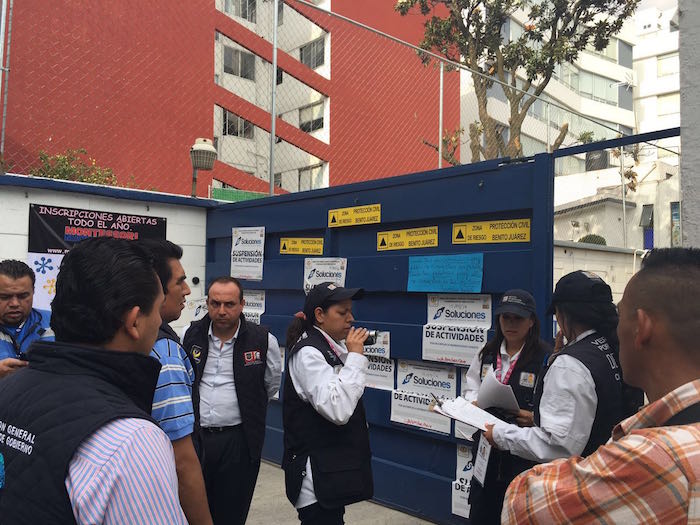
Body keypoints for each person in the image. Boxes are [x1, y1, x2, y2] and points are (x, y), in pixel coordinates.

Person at [503, 247, 700, 524]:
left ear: (642, 327)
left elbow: (523, 504)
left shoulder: (649, 458)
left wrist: (499, 434)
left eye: (622, 315)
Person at [0, 237, 187, 524]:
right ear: (134, 321)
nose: (160, 322)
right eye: (158, 308)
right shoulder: (131, 440)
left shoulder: (9, 387)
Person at [484, 270, 635, 462]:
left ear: (563, 314)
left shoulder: (570, 365)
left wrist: (500, 435)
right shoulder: (610, 345)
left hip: (579, 479)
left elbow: (557, 446)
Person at [183, 276, 282, 525]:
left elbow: (270, 385)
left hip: (238, 441)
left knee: (232, 511)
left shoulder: (262, 340)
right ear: (207, 303)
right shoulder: (189, 335)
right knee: (190, 510)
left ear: (242, 304)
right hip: (196, 438)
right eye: (215, 304)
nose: (222, 311)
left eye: (229, 304)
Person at [282, 282, 374, 525]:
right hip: (316, 484)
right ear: (320, 315)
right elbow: (338, 410)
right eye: (342, 313)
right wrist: (355, 358)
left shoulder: (332, 347)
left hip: (332, 476)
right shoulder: (309, 353)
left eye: (350, 312)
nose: (351, 319)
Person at [461, 290, 550, 525]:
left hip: (522, 455)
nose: (510, 324)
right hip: (486, 451)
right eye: (505, 318)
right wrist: (473, 403)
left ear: (531, 321)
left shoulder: (545, 358)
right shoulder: (486, 353)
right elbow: (471, 386)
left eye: (518, 318)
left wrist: (535, 418)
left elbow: (554, 407)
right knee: (482, 514)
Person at [140, 239, 212, 525]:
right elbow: (182, 461)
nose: (188, 290)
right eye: (180, 282)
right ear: (156, 288)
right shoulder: (166, 352)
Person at [0, 259, 53, 378]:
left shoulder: (56, 323)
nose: (14, 303)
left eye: (23, 296)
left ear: (33, 292)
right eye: (5, 297)